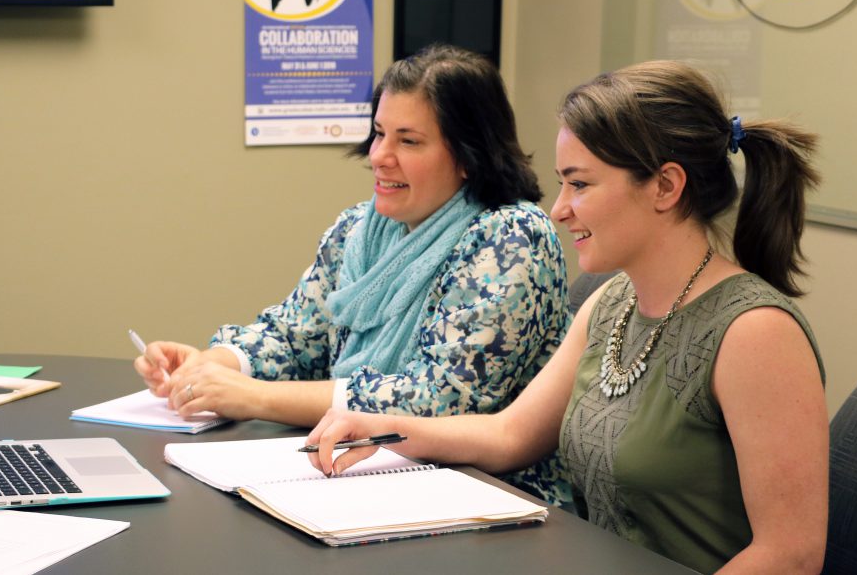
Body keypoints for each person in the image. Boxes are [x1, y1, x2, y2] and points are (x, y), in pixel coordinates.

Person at [305, 60, 828, 574]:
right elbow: (510, 435)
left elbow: (791, 555)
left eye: (580, 185)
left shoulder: (756, 333)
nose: (558, 209)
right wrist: (382, 427)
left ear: (666, 187)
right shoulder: (612, 302)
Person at [133, 44, 573, 503]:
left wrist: (254, 396)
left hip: (492, 496)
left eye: (408, 140)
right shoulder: (358, 228)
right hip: (363, 474)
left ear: (467, 156)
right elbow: (294, 334)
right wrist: (213, 365)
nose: (380, 155)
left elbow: (439, 399)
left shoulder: (511, 235)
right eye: (379, 133)